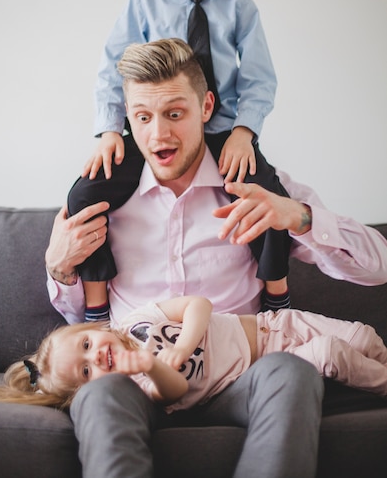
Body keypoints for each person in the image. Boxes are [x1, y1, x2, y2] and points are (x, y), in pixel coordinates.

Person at [44, 37, 387, 478]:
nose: (158, 135)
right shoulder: (102, 198)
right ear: (127, 117)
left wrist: (299, 217)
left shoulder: (258, 185)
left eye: (175, 114)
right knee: (98, 395)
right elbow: (81, 328)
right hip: (138, 380)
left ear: (206, 107)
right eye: (142, 118)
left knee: (290, 370)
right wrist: (60, 266)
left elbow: (379, 267)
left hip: (242, 373)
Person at [69, 0, 292, 323]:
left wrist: (244, 134)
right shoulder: (144, 0)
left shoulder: (241, 8)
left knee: (268, 198)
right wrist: (111, 130)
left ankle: (276, 297)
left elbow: (260, 79)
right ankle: (95, 304)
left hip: (225, 132)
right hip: (157, 131)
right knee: (85, 195)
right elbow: (113, 67)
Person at [0, 295, 387, 411]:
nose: (95, 357)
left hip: (274, 326)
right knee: (332, 352)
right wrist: (152, 365)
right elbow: (172, 391)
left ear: (93, 329)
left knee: (364, 337)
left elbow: (199, 305)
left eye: (86, 345)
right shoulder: (136, 382)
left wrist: (185, 344)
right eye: (84, 372)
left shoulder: (138, 319)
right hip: (267, 369)